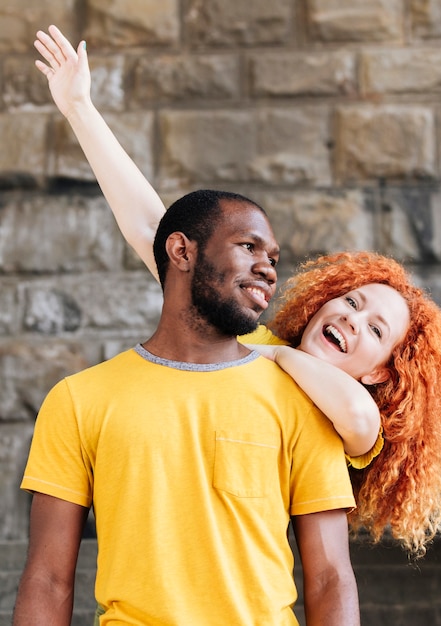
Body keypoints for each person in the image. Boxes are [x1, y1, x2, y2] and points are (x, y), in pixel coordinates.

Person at [33, 26, 441, 558]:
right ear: (323, 301)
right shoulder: (255, 342)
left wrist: (265, 354)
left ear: (380, 372)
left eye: (375, 330)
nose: (352, 318)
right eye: (351, 301)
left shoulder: (326, 412)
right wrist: (80, 110)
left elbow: (361, 416)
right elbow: (152, 231)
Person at [13, 189, 360, 625]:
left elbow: (330, 577)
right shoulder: (79, 398)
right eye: (248, 246)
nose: (268, 270)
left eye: (272, 258)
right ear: (181, 251)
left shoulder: (300, 399)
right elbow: (47, 579)